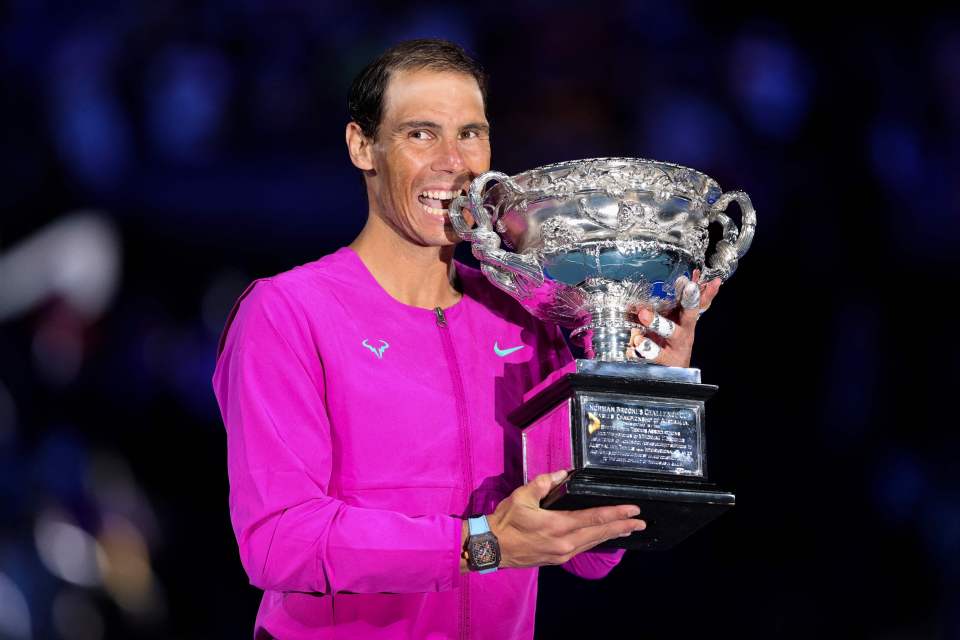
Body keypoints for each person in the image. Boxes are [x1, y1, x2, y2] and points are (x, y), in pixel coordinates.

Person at [213, 38, 718, 639]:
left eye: (471, 134)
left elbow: (588, 551)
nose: (453, 162)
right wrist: (481, 544)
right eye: (420, 134)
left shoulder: (525, 313)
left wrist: (639, 389)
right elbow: (278, 542)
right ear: (362, 146)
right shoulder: (288, 311)